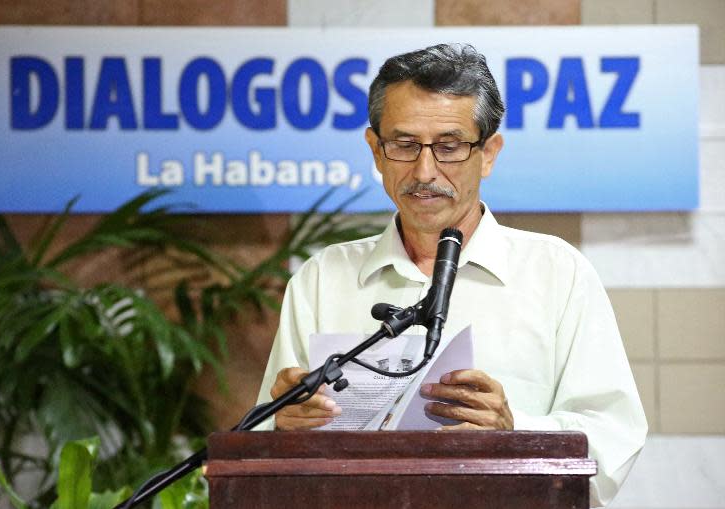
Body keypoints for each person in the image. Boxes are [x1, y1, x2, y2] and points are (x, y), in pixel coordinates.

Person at [255, 43, 647, 507]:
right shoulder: (322, 279)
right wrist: (284, 425)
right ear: (375, 150)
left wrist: (512, 428)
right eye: (403, 145)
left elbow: (612, 438)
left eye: (449, 147)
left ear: (489, 152)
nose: (425, 171)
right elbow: (263, 446)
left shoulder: (557, 273)